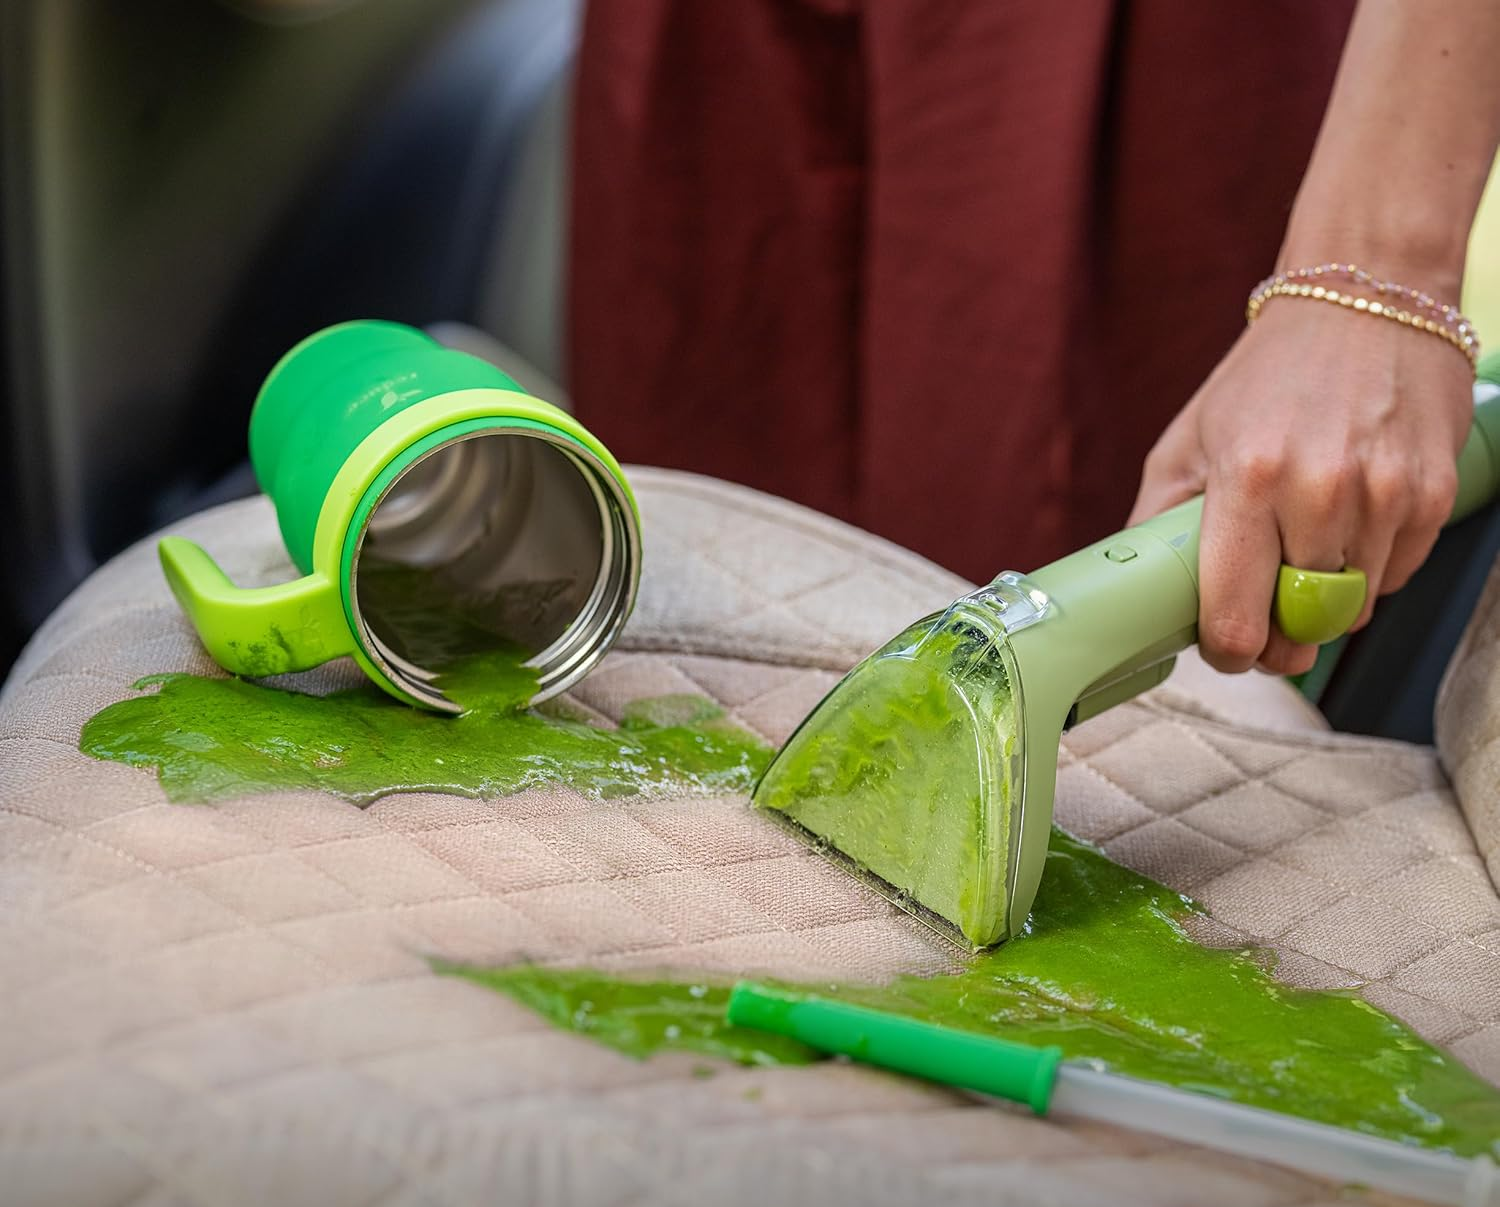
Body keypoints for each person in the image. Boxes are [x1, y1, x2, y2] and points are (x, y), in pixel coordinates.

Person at [567, 1, 1500, 678]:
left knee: (1058, 699)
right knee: (669, 626)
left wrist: (1374, 267)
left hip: (1133, 51)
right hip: (715, 39)